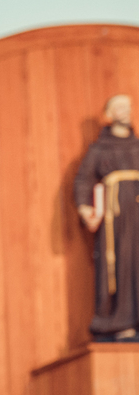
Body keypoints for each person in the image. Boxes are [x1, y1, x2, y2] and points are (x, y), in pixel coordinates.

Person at [74, 94, 139, 341]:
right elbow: (83, 180)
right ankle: (121, 323)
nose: (125, 111)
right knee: (120, 266)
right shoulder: (99, 149)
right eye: (119, 107)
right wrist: (84, 209)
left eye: (128, 106)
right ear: (109, 115)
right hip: (116, 219)